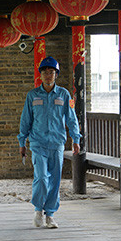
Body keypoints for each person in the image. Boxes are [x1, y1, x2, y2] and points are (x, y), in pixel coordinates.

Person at [18, 56, 81, 229]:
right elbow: (25, 120)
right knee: (41, 178)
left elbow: (71, 118)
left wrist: (76, 139)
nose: (48, 75)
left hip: (57, 143)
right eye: (45, 72)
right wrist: (22, 142)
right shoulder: (32, 95)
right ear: (41, 75)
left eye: (51, 72)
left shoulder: (64, 94)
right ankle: (38, 210)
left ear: (56, 74)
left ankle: (50, 214)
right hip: (37, 143)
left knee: (55, 180)